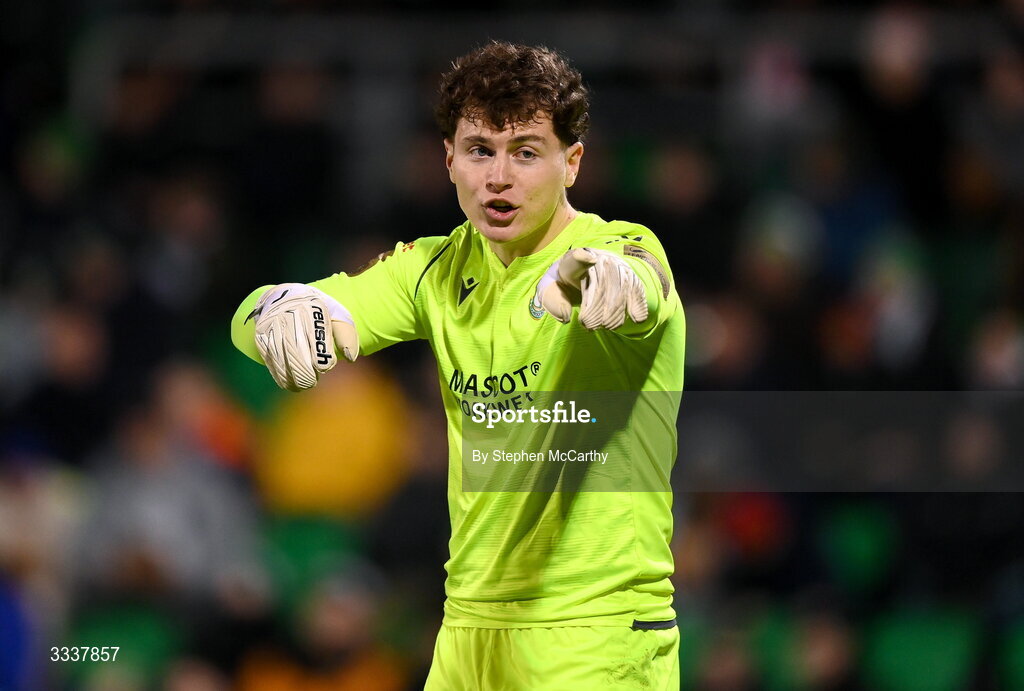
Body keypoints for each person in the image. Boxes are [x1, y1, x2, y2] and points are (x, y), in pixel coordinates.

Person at [231, 42, 685, 690]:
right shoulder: (434, 270)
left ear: (572, 162)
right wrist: (276, 312)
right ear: (449, 159)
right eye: (479, 150)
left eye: (525, 152)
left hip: (595, 632)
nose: (498, 177)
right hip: (468, 633)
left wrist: (603, 284)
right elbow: (273, 314)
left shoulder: (619, 247)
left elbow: (641, 287)